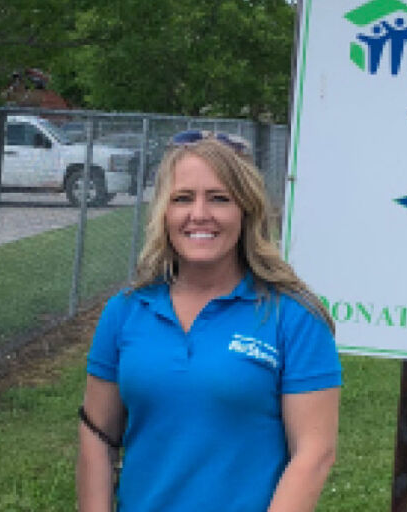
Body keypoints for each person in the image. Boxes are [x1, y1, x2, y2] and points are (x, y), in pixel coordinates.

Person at [76, 130, 343, 511]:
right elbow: (97, 435)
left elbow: (314, 454)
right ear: (164, 212)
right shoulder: (125, 311)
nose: (199, 214)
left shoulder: (293, 317)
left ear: (245, 210)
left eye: (219, 198)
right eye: (183, 198)